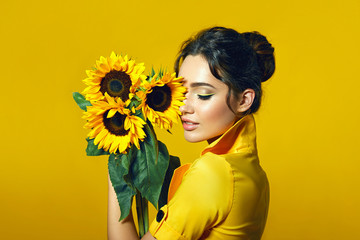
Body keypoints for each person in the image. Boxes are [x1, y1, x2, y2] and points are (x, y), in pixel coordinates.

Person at [107, 26, 275, 240]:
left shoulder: (214, 173)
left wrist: (117, 172)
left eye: (203, 95)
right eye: (183, 92)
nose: (184, 107)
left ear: (244, 100)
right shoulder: (253, 172)